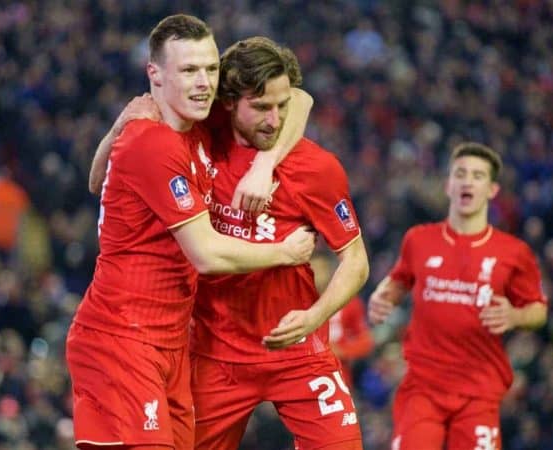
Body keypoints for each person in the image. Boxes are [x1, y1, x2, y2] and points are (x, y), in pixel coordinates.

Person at [96, 36, 369, 450]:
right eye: (260, 108)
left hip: (297, 351)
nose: (274, 120)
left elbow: (356, 261)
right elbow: (102, 178)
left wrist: (316, 316)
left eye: (280, 107)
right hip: (215, 353)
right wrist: (122, 125)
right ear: (227, 102)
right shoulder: (196, 141)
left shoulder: (317, 168)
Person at [66, 15, 315, 450]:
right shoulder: (152, 142)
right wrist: (287, 252)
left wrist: (264, 164)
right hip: (121, 338)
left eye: (211, 69)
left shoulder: (195, 124)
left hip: (171, 342)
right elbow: (207, 255)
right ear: (155, 76)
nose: (204, 83)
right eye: (188, 71)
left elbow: (298, 97)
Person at [368, 142, 548, 450]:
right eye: (461, 174)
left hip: (478, 392)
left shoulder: (514, 253)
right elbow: (399, 280)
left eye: (478, 176)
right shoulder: (419, 239)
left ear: (492, 190)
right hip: (423, 388)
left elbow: (538, 311)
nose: (467, 181)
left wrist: (516, 315)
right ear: (448, 184)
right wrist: (383, 296)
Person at [310, 252, 375, 390]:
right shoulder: (294, 303)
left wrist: (342, 351)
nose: (318, 275)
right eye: (313, 270)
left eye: (322, 269)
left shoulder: (349, 302)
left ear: (330, 271)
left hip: (339, 378)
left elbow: (366, 343)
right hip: (301, 377)